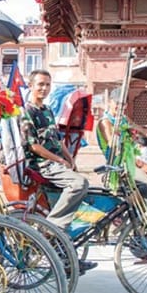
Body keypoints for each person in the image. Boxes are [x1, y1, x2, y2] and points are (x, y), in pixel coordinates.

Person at [20, 70, 96, 272]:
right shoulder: (26, 111)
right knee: (79, 184)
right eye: (40, 84)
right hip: (42, 164)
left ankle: (68, 257)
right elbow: (34, 146)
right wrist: (59, 159)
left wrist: (70, 158)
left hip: (57, 163)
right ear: (31, 86)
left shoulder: (47, 110)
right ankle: (51, 227)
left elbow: (57, 140)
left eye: (47, 84)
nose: (44, 88)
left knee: (72, 204)